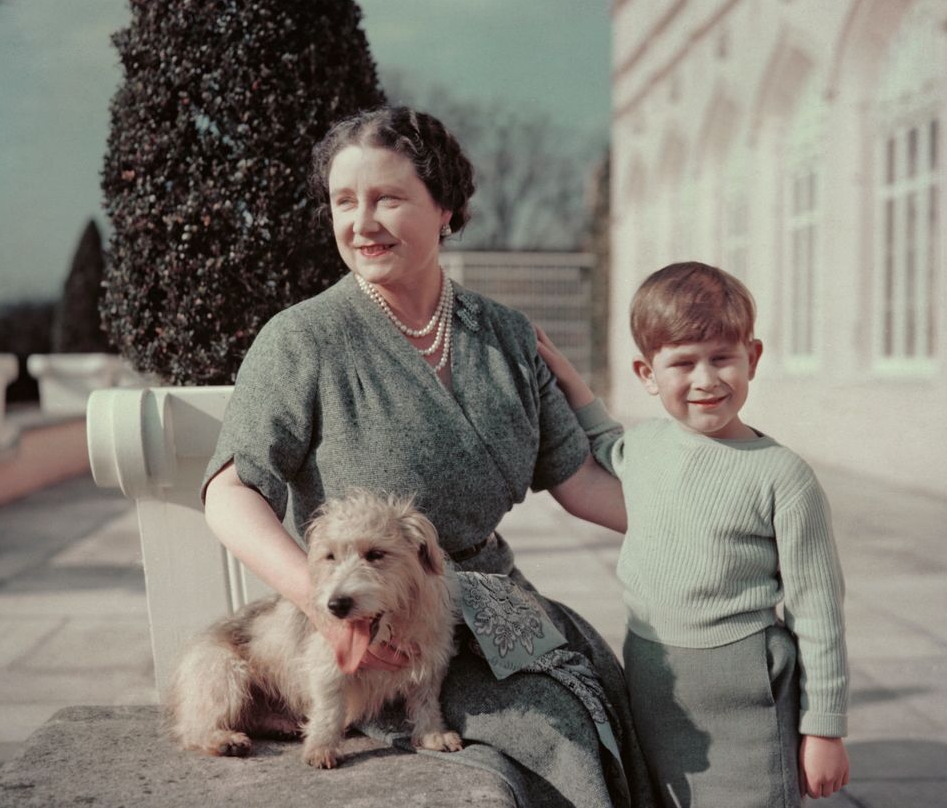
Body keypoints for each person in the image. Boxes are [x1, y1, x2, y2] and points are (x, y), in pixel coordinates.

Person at [201, 106, 656, 808]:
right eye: (343, 201)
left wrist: (715, 524)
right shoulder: (301, 339)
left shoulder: (504, 335)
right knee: (551, 731)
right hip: (372, 633)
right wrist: (322, 607)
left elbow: (584, 484)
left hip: (494, 605)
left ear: (445, 206)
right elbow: (230, 492)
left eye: (387, 197)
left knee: (604, 691)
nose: (361, 221)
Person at [537, 261, 850, 807]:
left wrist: (824, 728)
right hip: (655, 676)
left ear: (751, 358)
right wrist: (569, 379)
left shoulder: (782, 476)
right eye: (683, 363)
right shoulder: (648, 447)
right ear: (646, 375)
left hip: (746, 692)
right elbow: (605, 438)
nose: (706, 379)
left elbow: (818, 610)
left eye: (722, 358)